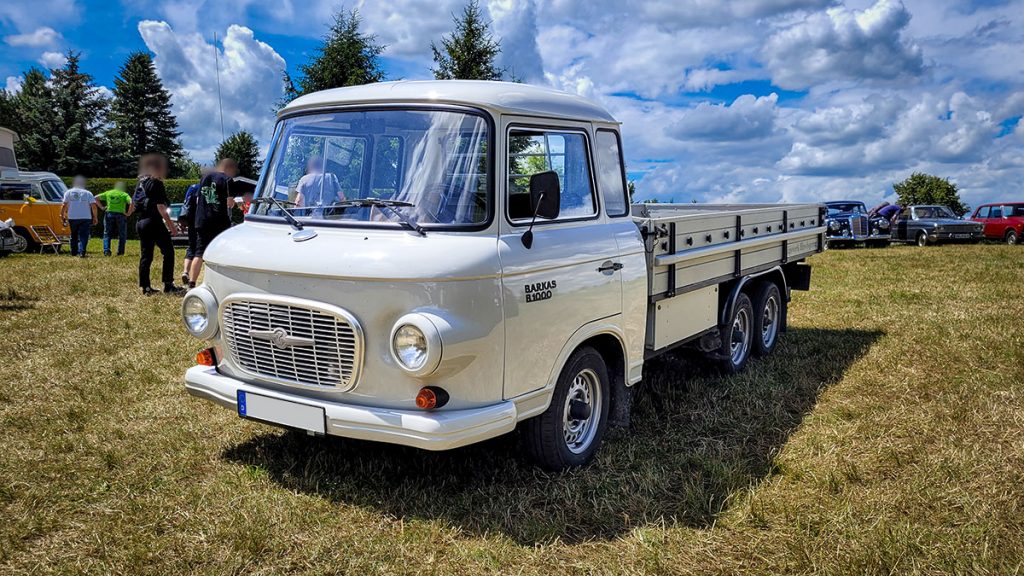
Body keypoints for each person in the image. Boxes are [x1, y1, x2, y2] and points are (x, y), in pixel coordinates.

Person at [133, 154, 185, 295]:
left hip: (141, 222)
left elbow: (134, 204)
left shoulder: (141, 183)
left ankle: (146, 288)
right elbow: (161, 207)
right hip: (153, 221)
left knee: (146, 255)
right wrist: (172, 226)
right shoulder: (156, 183)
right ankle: (168, 285)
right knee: (168, 251)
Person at [187, 158, 238, 287]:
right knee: (221, 252)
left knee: (199, 252)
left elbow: (199, 198)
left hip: (202, 219)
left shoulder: (205, 177)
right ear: (229, 168)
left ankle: (192, 283)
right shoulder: (227, 180)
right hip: (219, 221)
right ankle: (219, 282)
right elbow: (229, 203)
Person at [60, 176, 97, 258]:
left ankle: (73, 252)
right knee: (84, 235)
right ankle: (82, 251)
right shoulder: (88, 193)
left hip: (72, 217)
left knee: (74, 235)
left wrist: (62, 215)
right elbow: (93, 206)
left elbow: (64, 205)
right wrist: (95, 217)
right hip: (86, 217)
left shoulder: (68, 192)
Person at [94, 181, 134, 256]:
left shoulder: (109, 193)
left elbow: (95, 197)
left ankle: (106, 251)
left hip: (109, 213)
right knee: (122, 234)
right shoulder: (124, 194)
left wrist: (102, 207)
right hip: (121, 215)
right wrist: (129, 213)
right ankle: (120, 252)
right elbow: (132, 202)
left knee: (107, 233)